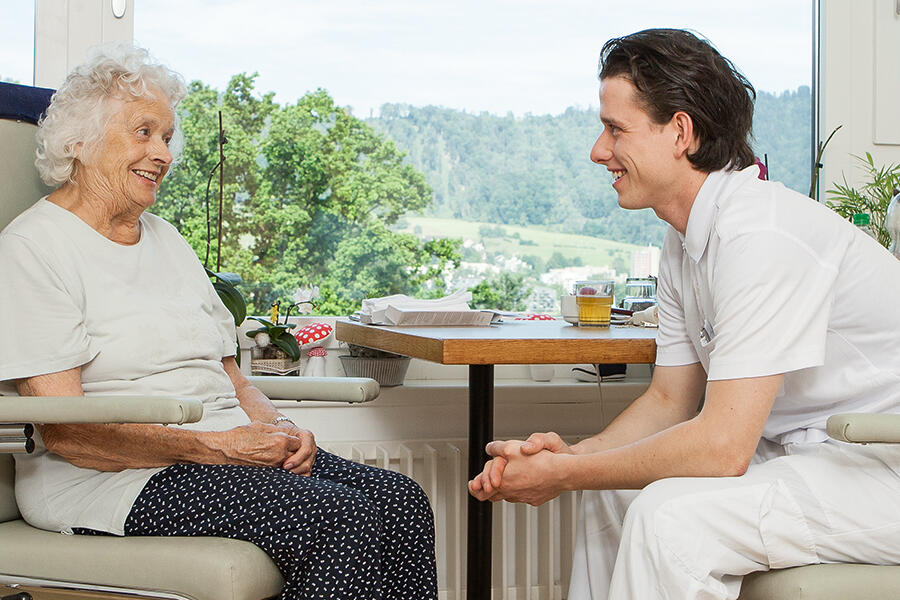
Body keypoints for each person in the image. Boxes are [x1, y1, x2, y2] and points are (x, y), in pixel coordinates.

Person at [469, 28, 900, 600]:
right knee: (610, 490)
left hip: (879, 468)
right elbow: (670, 401)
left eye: (615, 129)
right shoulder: (685, 242)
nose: (598, 151)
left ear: (680, 132)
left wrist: (564, 473)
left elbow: (722, 448)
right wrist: (573, 458)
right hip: (815, 453)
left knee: (670, 519)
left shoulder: (762, 236)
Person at [0, 44, 437, 600]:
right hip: (115, 480)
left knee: (401, 502)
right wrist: (221, 448)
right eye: (143, 132)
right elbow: (67, 431)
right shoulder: (32, 249)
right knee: (339, 520)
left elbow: (231, 377)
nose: (162, 153)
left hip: (221, 452)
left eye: (167, 137)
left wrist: (277, 430)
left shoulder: (168, 240)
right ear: (78, 143)